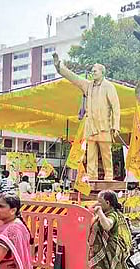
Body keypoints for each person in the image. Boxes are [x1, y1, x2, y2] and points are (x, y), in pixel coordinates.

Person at [53, 53, 120, 181]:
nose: (92, 73)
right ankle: (91, 176)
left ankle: (109, 176)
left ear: (102, 72)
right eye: (92, 71)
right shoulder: (87, 85)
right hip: (91, 125)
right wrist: (59, 67)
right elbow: (74, 78)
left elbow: (116, 107)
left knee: (106, 153)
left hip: (104, 125)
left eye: (95, 71)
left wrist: (115, 126)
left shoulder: (109, 87)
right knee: (91, 154)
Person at [88, 190, 135, 269]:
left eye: (100, 201)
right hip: (98, 257)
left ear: (107, 203)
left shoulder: (112, 215)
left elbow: (107, 226)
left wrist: (99, 213)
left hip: (109, 257)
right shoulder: (103, 213)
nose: (97, 203)